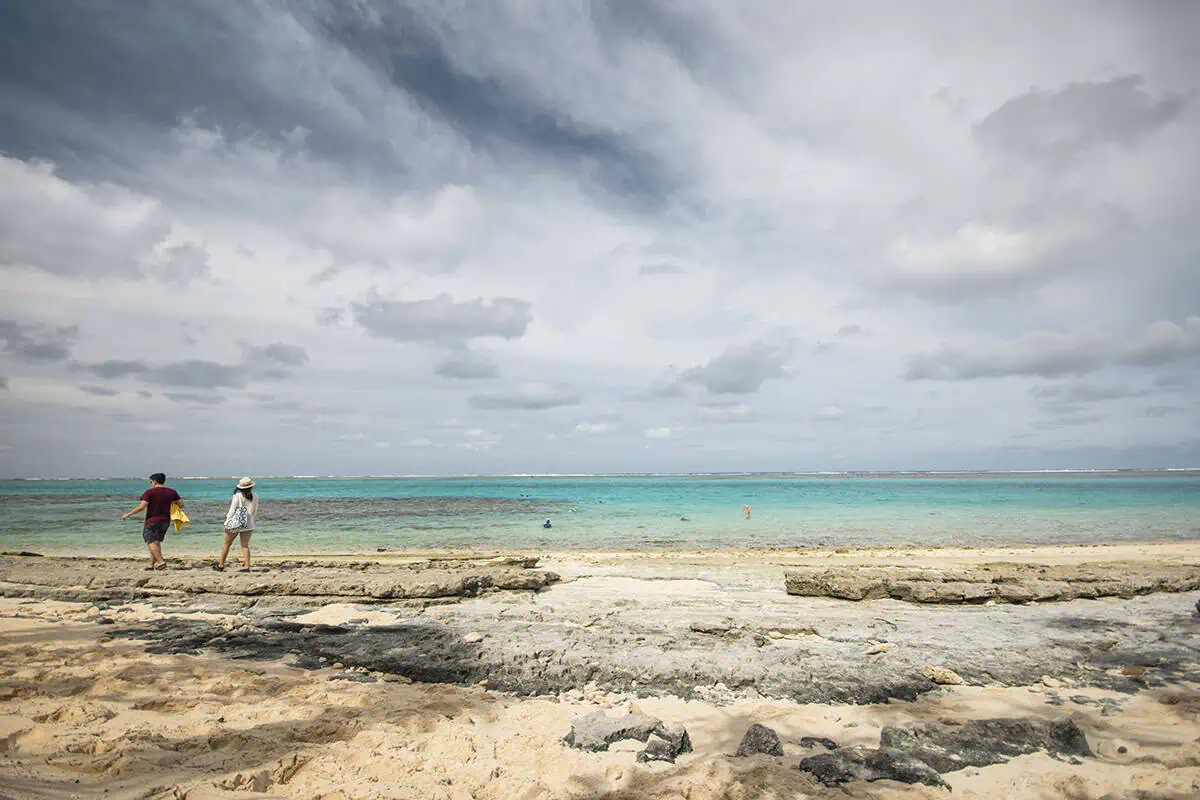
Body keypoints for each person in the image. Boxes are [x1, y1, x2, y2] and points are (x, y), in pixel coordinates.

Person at [122, 472, 182, 571]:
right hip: (165, 521)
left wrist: (128, 514)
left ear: (154, 481)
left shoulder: (150, 492)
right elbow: (181, 504)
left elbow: (142, 507)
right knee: (156, 542)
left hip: (152, 520)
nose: (151, 484)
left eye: (151, 482)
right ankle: (150, 565)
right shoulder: (172, 492)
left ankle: (161, 563)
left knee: (151, 542)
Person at [214, 477, 258, 572]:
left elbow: (232, 511)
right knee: (245, 545)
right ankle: (246, 566)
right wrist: (252, 521)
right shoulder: (255, 496)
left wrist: (227, 523)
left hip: (236, 521)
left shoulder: (237, 496)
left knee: (227, 544)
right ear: (251, 487)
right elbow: (254, 511)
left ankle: (221, 565)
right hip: (249, 522)